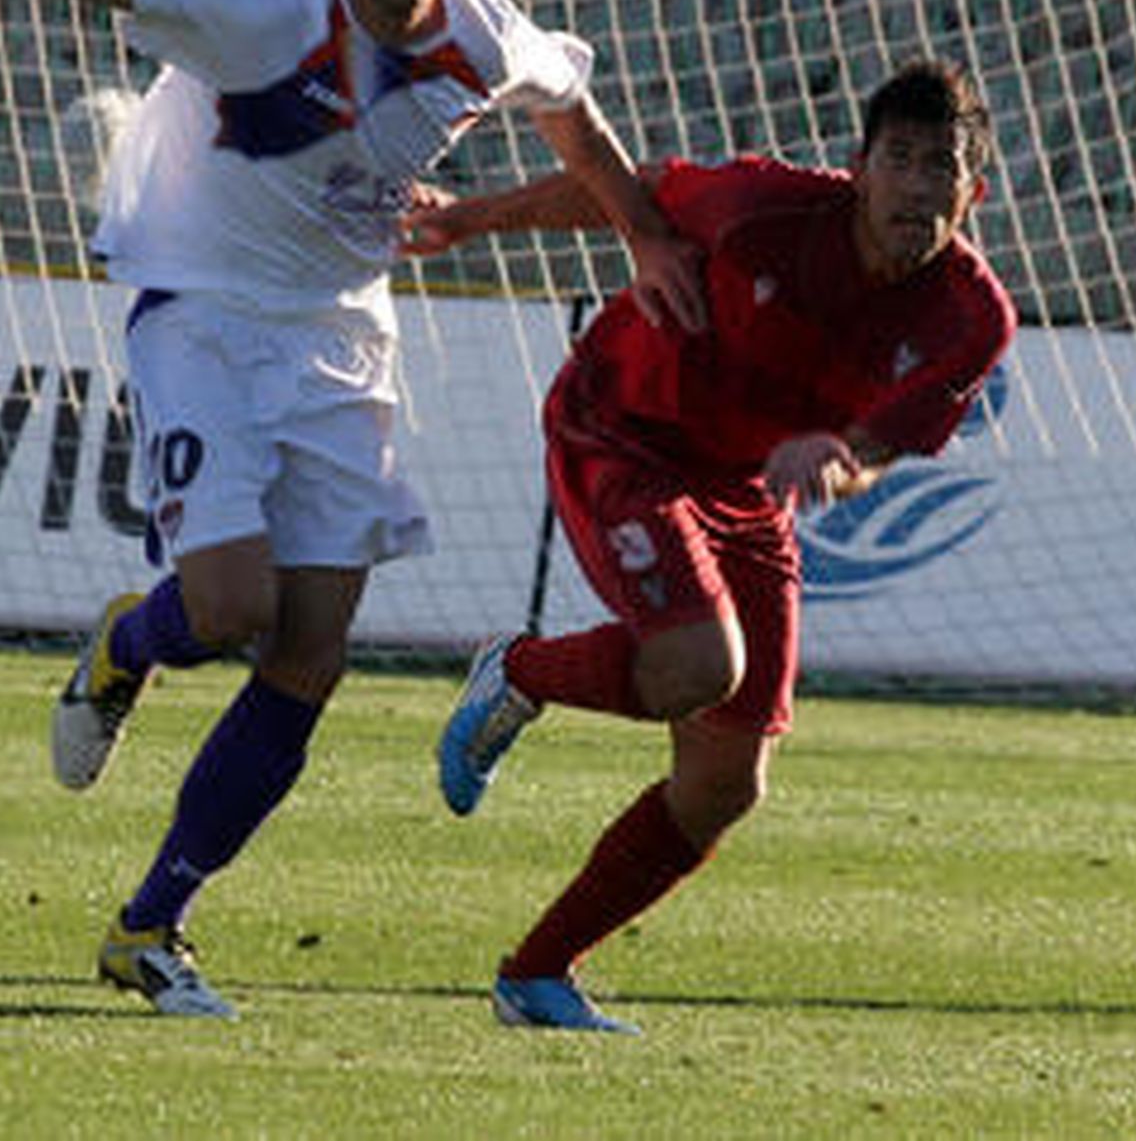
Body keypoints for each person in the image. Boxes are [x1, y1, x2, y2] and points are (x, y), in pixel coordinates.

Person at [0, 0, 705, 1020]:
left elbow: (570, 110)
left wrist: (641, 232)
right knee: (224, 608)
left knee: (311, 653)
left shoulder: (484, 32)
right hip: (202, 312)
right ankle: (128, 643)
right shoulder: (261, 1)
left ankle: (149, 925)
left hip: (341, 342)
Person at [406, 57, 1015, 1035]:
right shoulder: (763, 207)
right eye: (899, 158)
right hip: (622, 431)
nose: (916, 185)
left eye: (940, 165)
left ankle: (537, 974)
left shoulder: (972, 317)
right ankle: (516, 671)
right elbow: (630, 191)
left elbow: (877, 447)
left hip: (741, 486)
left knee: (727, 779)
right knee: (696, 663)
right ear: (858, 167)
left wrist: (840, 458)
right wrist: (472, 219)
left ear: (972, 191)